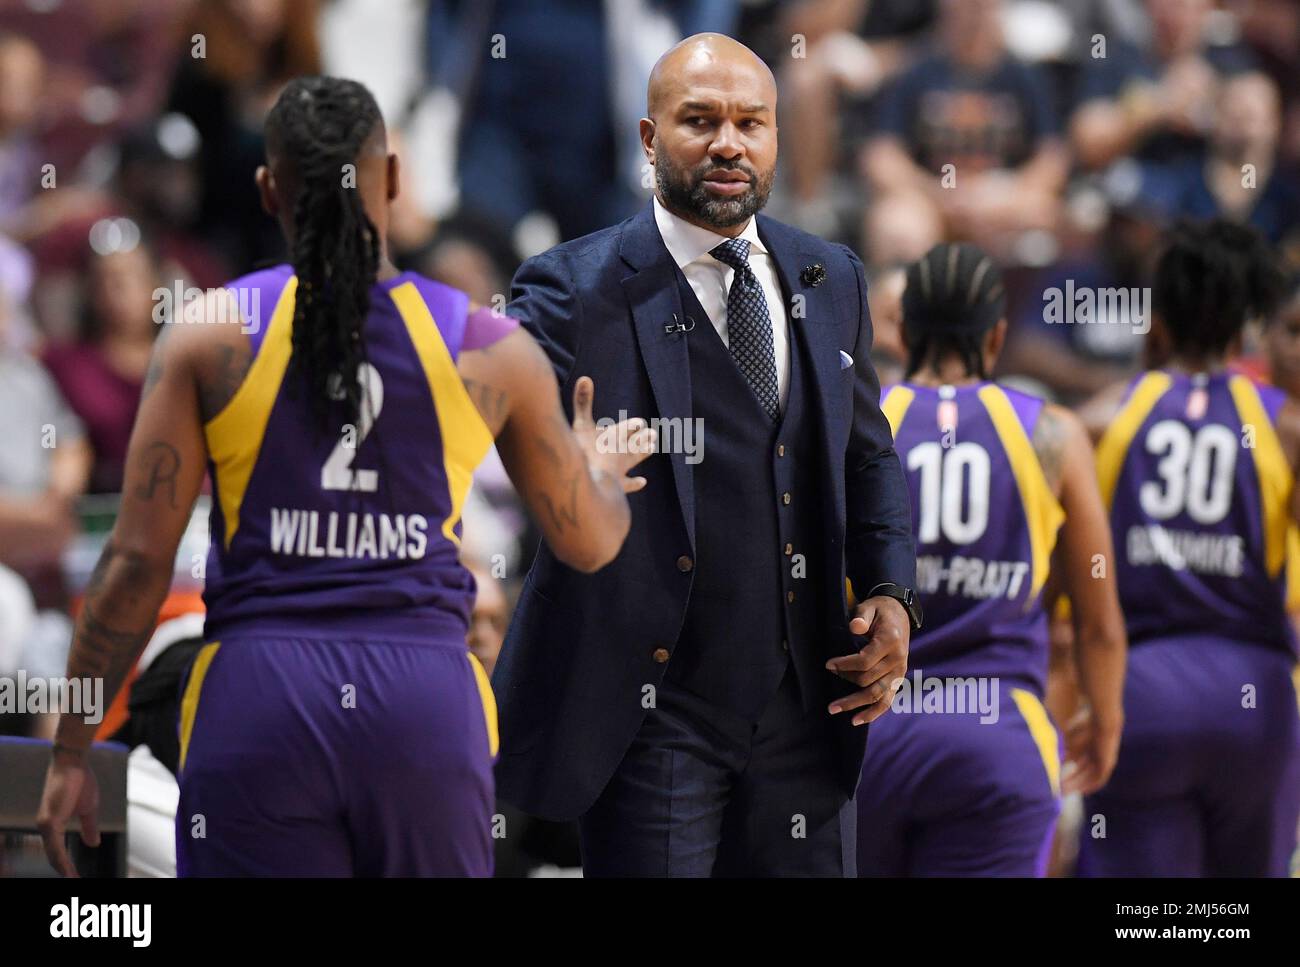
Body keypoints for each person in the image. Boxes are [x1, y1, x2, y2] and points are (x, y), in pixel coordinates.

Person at [35, 76, 654, 878]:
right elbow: (590, 544)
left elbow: (134, 566)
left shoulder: (209, 333)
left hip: (260, 700)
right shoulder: (487, 344)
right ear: (392, 180)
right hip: (423, 707)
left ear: (267, 189)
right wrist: (596, 471)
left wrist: (73, 747)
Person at [494, 33, 917, 877]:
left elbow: (869, 460)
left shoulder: (830, 275)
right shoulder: (566, 289)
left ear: (774, 138)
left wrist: (891, 595)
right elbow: (512, 445)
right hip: (651, 715)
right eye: (700, 120)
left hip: (807, 706)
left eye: (749, 123)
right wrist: (569, 476)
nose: (728, 142)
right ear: (650, 140)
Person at [857, 243, 1127, 876]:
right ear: (997, 334)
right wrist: (1106, 721)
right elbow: (1099, 622)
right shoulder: (1053, 434)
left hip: (871, 730)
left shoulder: (860, 421)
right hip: (999, 735)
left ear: (902, 328)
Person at [1079, 219, 1300, 876]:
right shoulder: (1285, 427)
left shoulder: (1097, 419)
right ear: (1243, 332)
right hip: (1256, 693)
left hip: (1140, 689)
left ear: (1160, 323)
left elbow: (1066, 580)